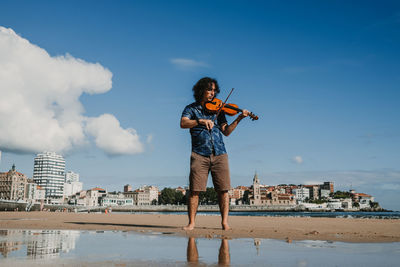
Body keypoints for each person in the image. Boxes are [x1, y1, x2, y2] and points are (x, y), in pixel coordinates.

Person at [180, 77, 249, 231]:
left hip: (220, 153)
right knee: (195, 190)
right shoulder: (191, 109)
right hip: (199, 154)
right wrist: (200, 121)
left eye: (214, 90)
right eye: (209, 90)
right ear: (201, 90)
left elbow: (227, 132)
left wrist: (239, 118)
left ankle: (225, 223)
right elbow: (183, 123)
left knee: (223, 190)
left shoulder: (220, 110)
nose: (212, 93)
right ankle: (191, 223)